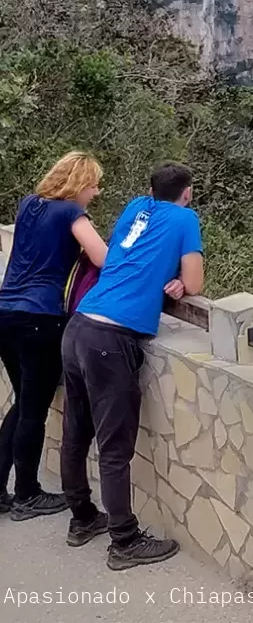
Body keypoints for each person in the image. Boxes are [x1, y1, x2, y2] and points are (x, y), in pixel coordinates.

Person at [61, 162, 203, 570]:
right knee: (115, 446)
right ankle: (123, 540)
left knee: (76, 431)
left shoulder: (136, 208)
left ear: (151, 189)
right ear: (187, 193)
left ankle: (82, 519)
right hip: (111, 339)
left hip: (80, 326)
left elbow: (130, 253)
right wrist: (179, 278)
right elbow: (194, 283)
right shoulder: (185, 218)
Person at [0, 152, 108, 521]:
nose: (95, 192)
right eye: (93, 185)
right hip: (40, 318)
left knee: (22, 402)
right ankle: (27, 494)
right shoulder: (70, 213)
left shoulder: (29, 204)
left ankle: (1, 491)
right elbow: (103, 258)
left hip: (7, 312)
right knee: (33, 410)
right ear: (79, 183)